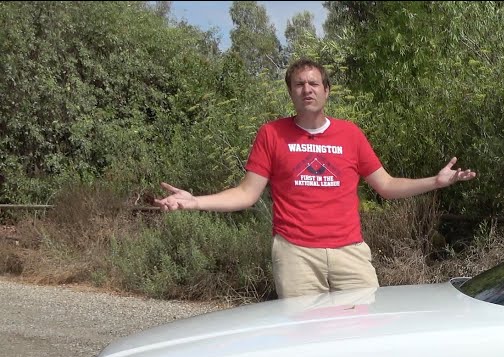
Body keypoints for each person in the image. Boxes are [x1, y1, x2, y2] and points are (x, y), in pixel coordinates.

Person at [155, 58, 477, 299]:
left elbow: (387, 185)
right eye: (299, 84)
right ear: (291, 92)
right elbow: (246, 194)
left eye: (313, 83)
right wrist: (195, 201)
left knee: (363, 333)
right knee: (305, 342)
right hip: (296, 255)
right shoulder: (272, 134)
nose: (306, 89)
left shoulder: (350, 134)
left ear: (326, 90)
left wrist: (434, 182)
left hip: (349, 252)